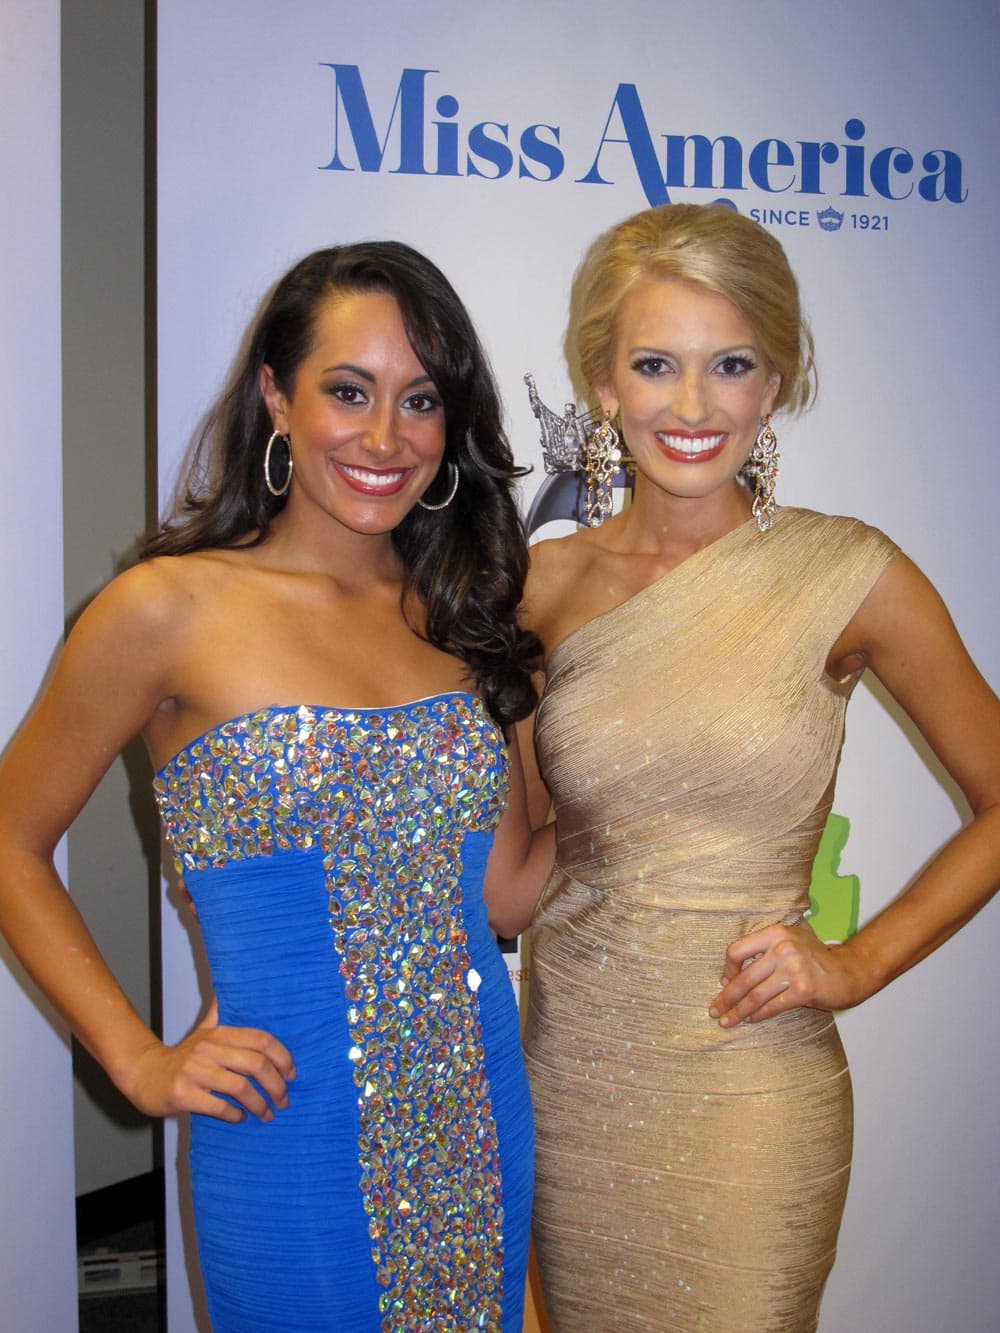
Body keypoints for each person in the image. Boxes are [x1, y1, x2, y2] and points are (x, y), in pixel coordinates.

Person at [0, 241, 553, 1331]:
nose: (385, 438)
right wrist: (137, 1061)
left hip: (476, 1109)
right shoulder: (167, 609)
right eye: (348, 391)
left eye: (420, 399)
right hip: (287, 1126)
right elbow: (10, 838)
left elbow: (508, 894)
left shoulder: (464, 619)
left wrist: (654, 778)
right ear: (276, 397)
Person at [505, 204, 1000, 1331]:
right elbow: (518, 872)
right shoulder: (534, 592)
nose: (691, 406)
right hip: (576, 1077)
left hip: (751, 1090)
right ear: (601, 379)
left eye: (730, 365)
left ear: (774, 382)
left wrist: (859, 961)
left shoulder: (847, 571)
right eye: (653, 365)